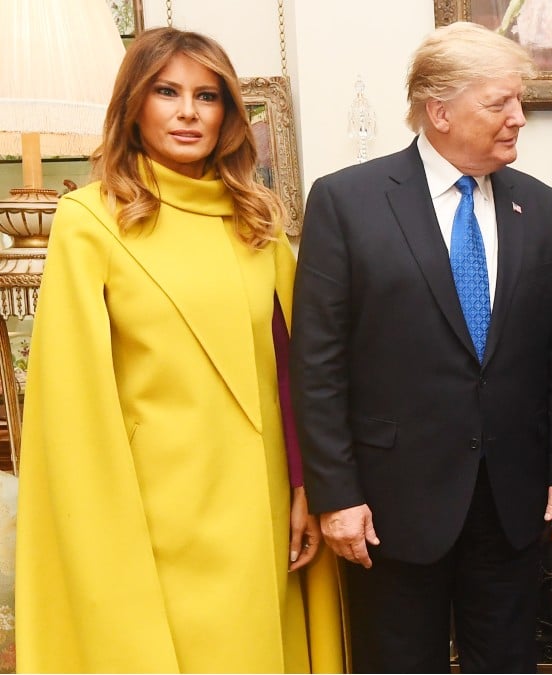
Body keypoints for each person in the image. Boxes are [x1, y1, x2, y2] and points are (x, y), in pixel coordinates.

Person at [14, 27, 343, 672]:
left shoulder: (257, 219)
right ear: (133, 105)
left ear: (228, 113)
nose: (188, 112)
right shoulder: (90, 219)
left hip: (260, 504)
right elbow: (73, 397)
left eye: (208, 95)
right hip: (152, 512)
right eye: (167, 92)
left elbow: (290, 367)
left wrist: (306, 486)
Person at [290, 21, 552, 673]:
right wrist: (335, 494)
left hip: (513, 501)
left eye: (518, 101)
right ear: (440, 110)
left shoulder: (540, 208)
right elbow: (317, 366)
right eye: (499, 103)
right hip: (389, 504)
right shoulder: (347, 202)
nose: (518, 118)